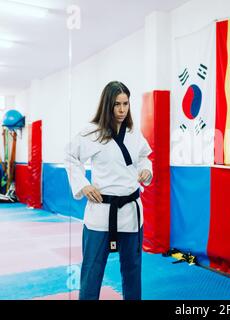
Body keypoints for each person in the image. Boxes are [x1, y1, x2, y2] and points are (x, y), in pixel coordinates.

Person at [65, 81, 153, 300]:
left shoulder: (133, 132)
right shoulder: (92, 132)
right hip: (101, 212)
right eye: (117, 105)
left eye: (125, 104)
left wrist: (146, 171)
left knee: (132, 270)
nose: (122, 110)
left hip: (130, 213)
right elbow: (70, 157)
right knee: (92, 272)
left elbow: (144, 157)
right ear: (107, 105)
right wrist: (83, 184)